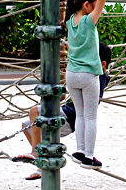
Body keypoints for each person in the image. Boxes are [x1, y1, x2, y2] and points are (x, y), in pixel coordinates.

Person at [15, 43, 111, 179]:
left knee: (34, 111)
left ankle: (36, 154)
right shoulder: (90, 76)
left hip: (70, 118)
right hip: (67, 114)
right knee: (26, 125)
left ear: (102, 65)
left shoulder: (98, 78)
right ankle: (42, 163)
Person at [64, 0, 107, 167]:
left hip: (71, 74)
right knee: (90, 116)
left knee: (80, 114)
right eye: (95, 3)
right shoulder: (89, 21)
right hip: (88, 75)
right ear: (87, 5)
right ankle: (89, 156)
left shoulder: (70, 20)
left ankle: (80, 151)